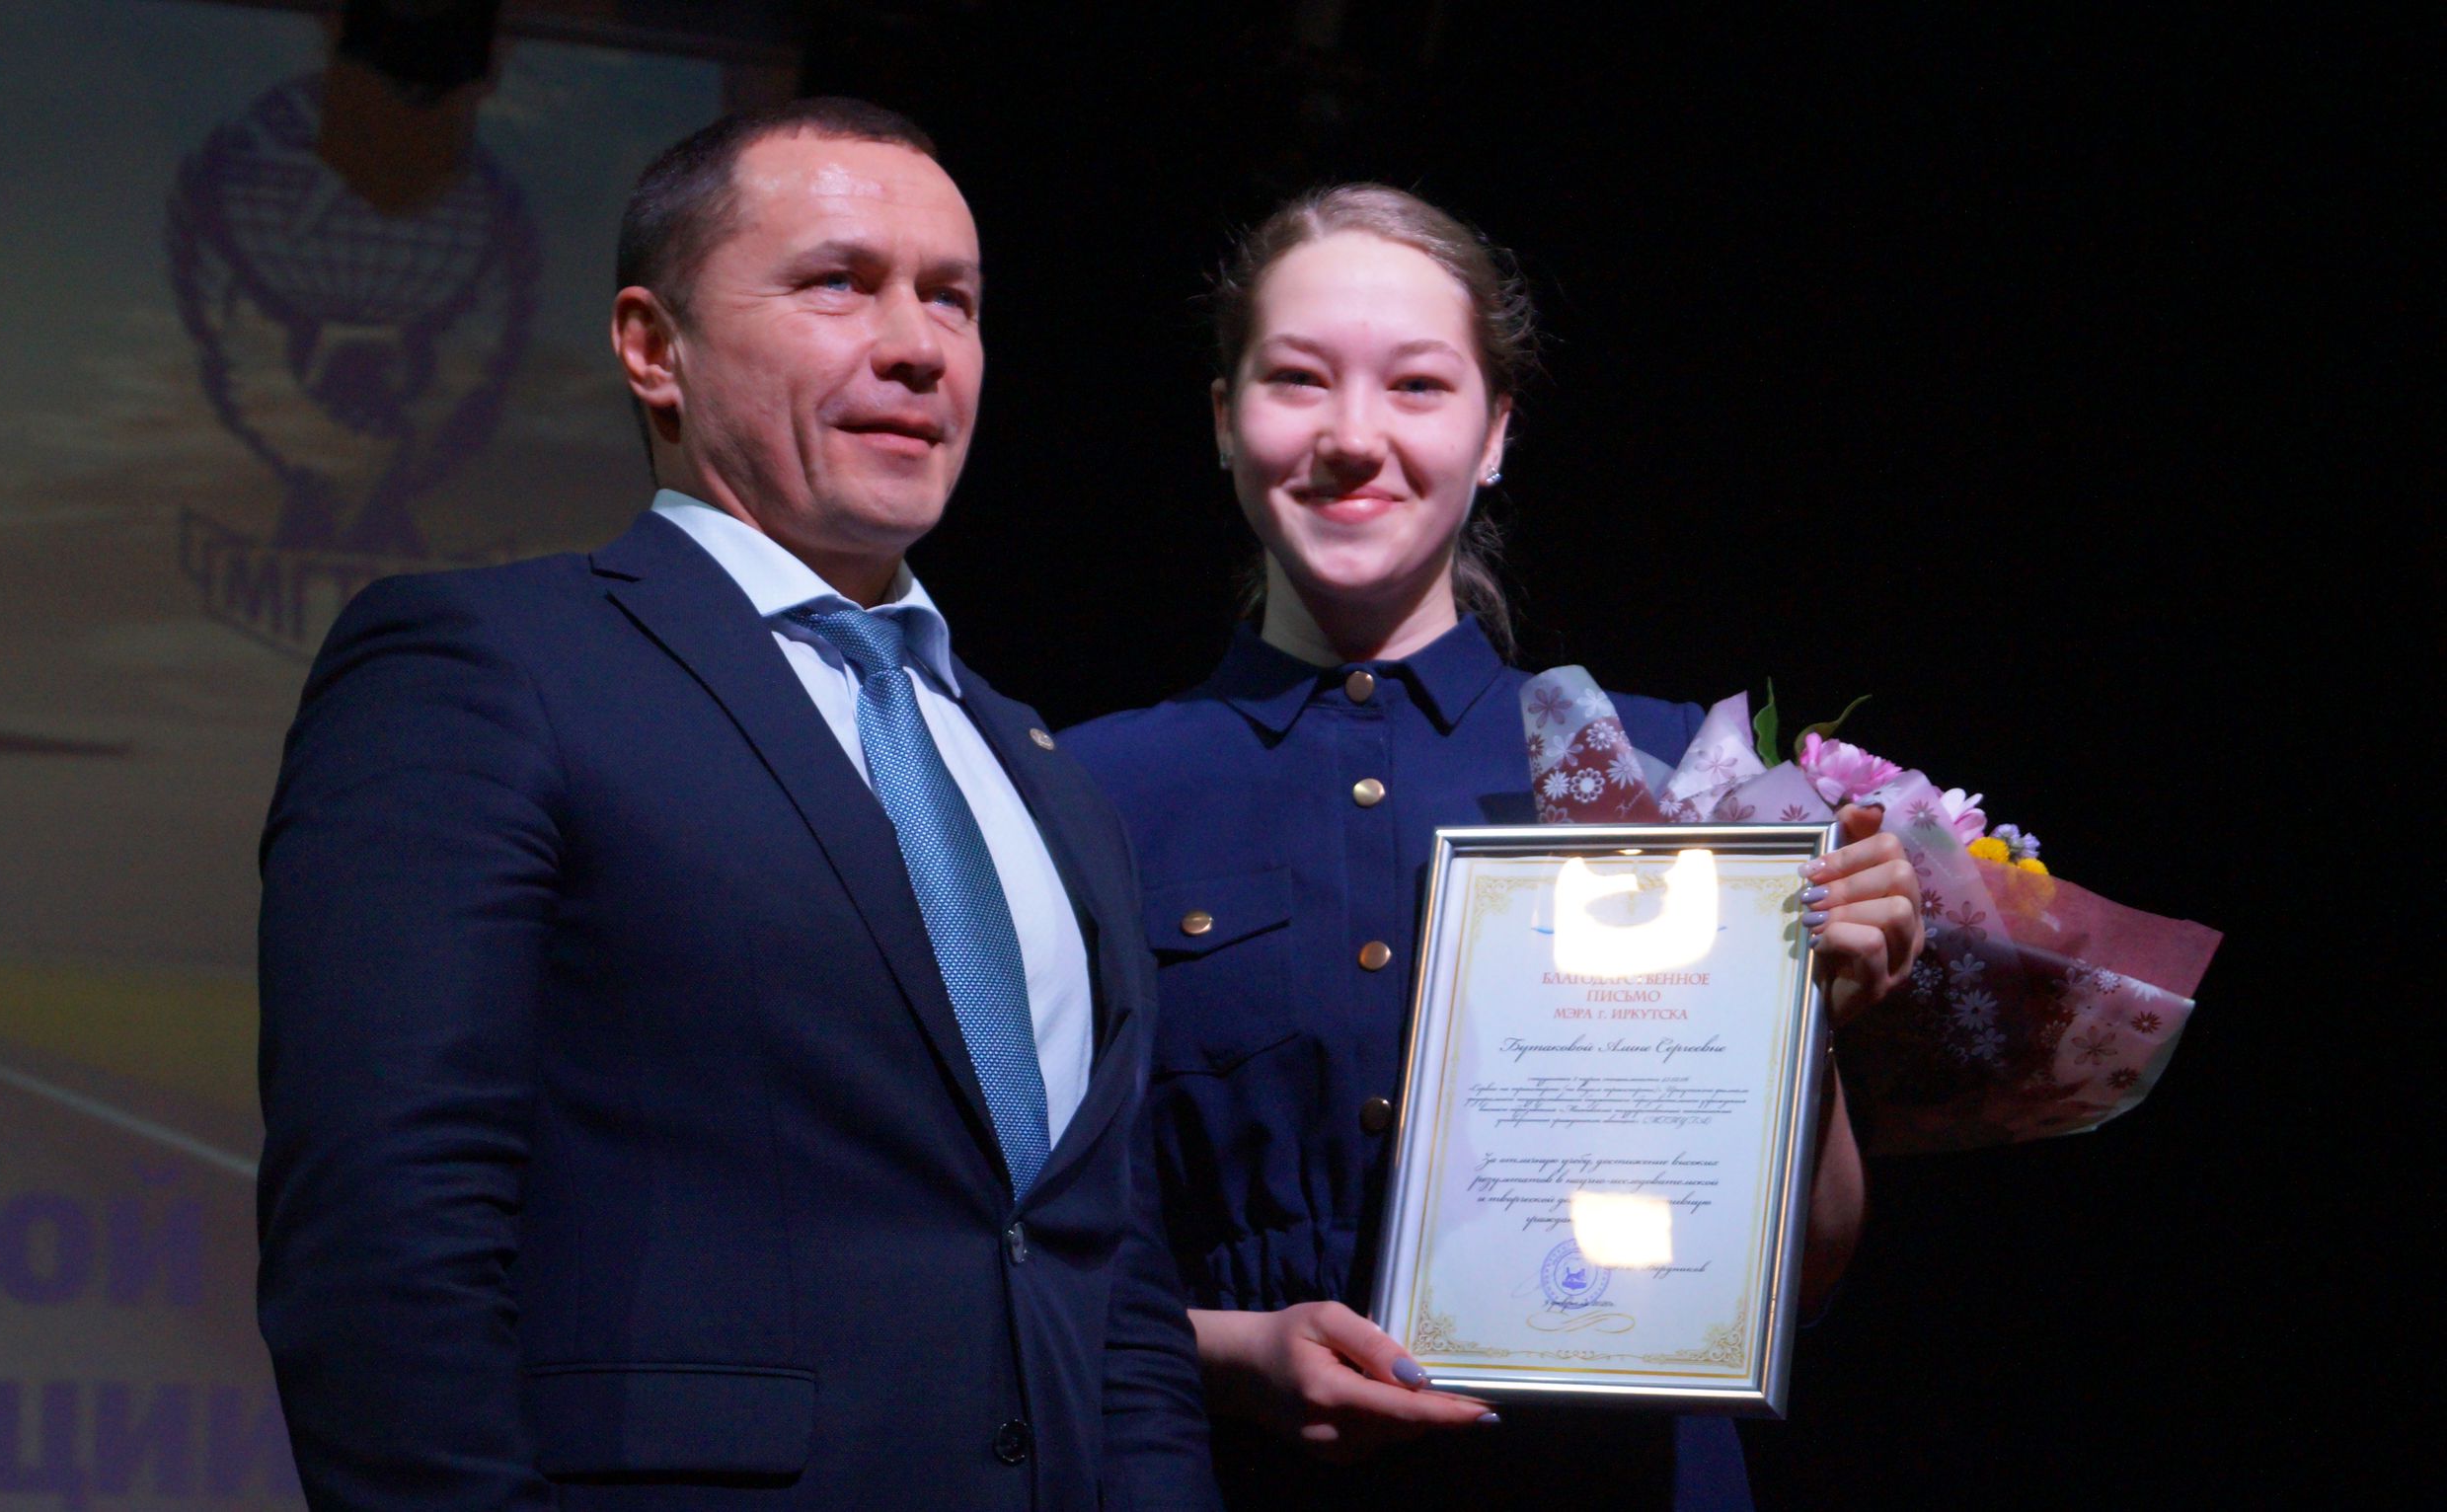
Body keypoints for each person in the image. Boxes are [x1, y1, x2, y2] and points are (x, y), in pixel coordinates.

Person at [256, 99, 1217, 1511]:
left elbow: (1112, 1283)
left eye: (953, 299)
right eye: (839, 283)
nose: (917, 344)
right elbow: (384, 1233)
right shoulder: (489, 667)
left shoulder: (1038, 768)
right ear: (654, 347)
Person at [1063, 185, 1922, 1509]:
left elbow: (1795, 1279)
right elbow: (1026, 1262)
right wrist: (1224, 1356)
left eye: (1417, 385)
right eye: (1297, 380)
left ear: (1497, 429)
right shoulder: (1085, 791)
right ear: (1224, 417)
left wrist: (1815, 1029)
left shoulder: (1677, 776)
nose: (1355, 437)